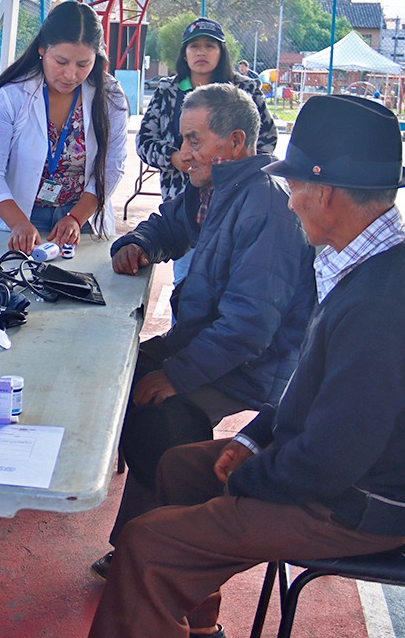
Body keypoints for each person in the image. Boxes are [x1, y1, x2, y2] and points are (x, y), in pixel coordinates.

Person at [88, 94, 405, 638]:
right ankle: (197, 626)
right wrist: (256, 439)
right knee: (179, 469)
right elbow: (311, 394)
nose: (291, 203)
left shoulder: (386, 303)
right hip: (337, 472)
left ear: (326, 194)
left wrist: (249, 473)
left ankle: (163, 596)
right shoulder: (365, 259)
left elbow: (331, 460)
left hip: (356, 507)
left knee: (149, 546)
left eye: (299, 189)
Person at [91, 83, 315, 579]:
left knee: (163, 410)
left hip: (256, 363)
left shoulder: (267, 205)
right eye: (182, 141)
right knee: (124, 372)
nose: (180, 156)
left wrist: (179, 374)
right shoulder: (213, 191)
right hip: (210, 340)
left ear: (235, 143)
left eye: (194, 141)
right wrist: (137, 244)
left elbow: (250, 326)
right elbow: (165, 225)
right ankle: (145, 536)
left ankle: (167, 548)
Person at [0, 0, 128, 254]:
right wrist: (19, 223)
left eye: (83, 64)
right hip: (19, 216)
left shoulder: (110, 97)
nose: (70, 74)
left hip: (82, 217)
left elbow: (112, 166)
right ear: (42, 48)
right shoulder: (10, 96)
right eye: (61, 61)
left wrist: (76, 218)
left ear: (96, 58)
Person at [137, 18, 278, 292]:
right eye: (194, 46)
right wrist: (173, 158)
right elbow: (144, 141)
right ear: (184, 53)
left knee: (237, 288)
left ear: (221, 52)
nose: (201, 52)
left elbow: (268, 139)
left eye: (209, 46)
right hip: (184, 207)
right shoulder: (168, 90)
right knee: (188, 286)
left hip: (235, 205)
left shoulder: (245, 90)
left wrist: (232, 169)